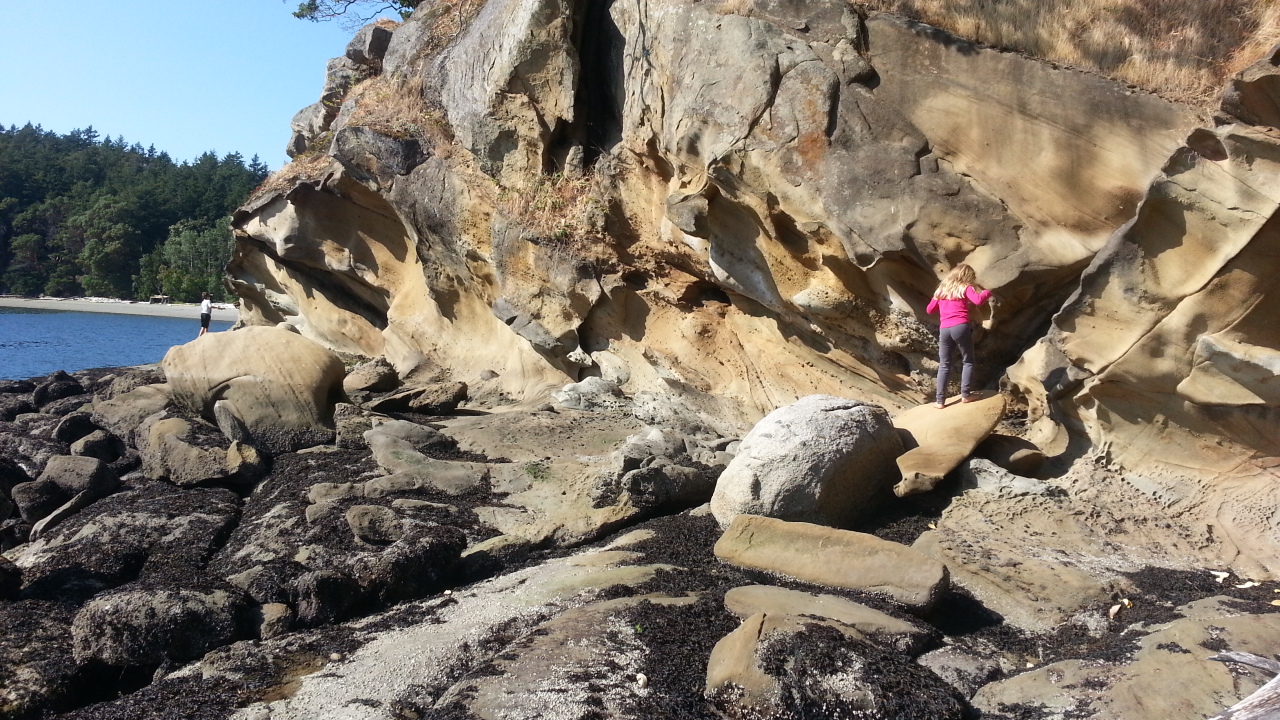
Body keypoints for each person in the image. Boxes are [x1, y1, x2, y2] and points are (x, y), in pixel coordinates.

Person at [926, 264, 991, 408]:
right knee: (968, 361)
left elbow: (930, 310)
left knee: (944, 364)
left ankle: (939, 401)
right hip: (960, 326)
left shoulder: (941, 290)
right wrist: (987, 292)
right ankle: (966, 395)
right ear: (967, 276)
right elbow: (979, 300)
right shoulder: (965, 287)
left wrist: (939, 300)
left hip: (944, 329)